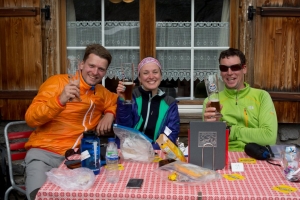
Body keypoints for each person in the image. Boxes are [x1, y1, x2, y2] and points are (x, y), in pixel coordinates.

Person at [24, 44, 118, 200]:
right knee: (38, 197)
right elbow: (31, 118)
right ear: (81, 64)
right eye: (91, 66)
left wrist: (109, 113)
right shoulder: (57, 82)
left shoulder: (101, 92)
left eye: (101, 69)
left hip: (76, 160)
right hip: (44, 154)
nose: (95, 72)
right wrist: (60, 100)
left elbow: (116, 101)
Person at [203, 48, 278, 151]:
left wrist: (230, 131)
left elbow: (269, 138)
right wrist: (209, 128)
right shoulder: (210, 102)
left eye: (235, 67)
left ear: (244, 69)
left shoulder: (262, 96)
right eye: (224, 68)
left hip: (255, 157)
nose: (229, 72)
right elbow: (209, 143)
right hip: (224, 155)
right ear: (220, 71)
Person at [115, 57, 180, 149]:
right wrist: (123, 101)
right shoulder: (131, 97)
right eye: (145, 73)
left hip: (156, 153)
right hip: (130, 151)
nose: (151, 76)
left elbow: (171, 134)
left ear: (160, 76)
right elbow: (123, 129)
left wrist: (151, 149)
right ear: (140, 78)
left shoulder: (170, 103)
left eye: (155, 72)